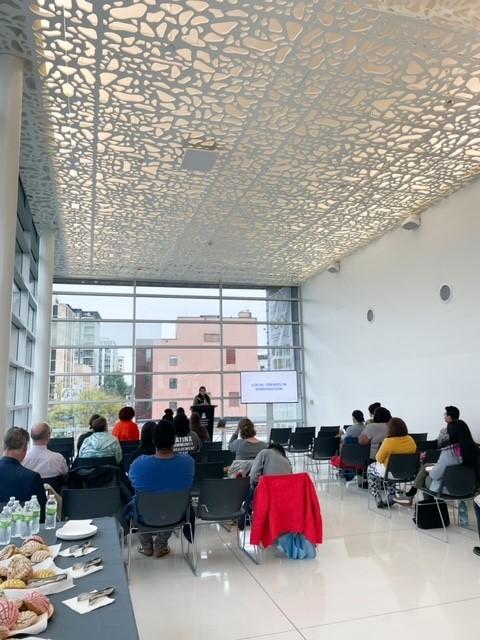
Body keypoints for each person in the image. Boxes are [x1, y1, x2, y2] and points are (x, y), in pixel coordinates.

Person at [129, 420, 194, 558]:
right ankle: (161, 545)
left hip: (144, 517)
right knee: (172, 502)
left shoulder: (138, 464)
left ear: (153, 440)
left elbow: (133, 484)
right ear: (174, 440)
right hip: (176, 516)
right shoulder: (188, 462)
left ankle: (146, 546)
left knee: (137, 501)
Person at [407, 419, 477, 498]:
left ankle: (426, 505)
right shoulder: (475, 450)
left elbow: (435, 475)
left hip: (446, 489)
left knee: (425, 477)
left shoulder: (448, 452)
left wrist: (432, 470)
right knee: (427, 467)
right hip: (469, 488)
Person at [367, 418, 417, 508]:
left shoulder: (388, 442)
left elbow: (378, 458)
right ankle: (391, 495)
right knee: (391, 468)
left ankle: (377, 496)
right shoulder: (411, 440)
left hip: (391, 473)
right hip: (408, 473)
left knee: (371, 468)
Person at [0, 427, 46, 520]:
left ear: (4, 446)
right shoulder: (32, 477)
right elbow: (41, 515)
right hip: (24, 532)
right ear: (24, 449)